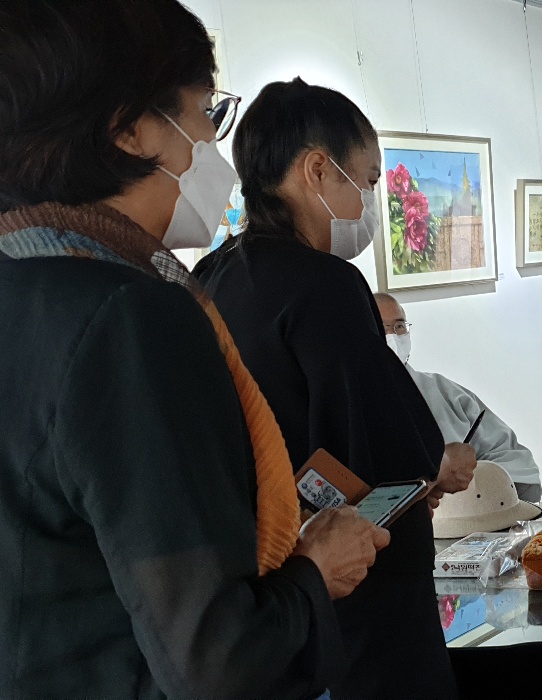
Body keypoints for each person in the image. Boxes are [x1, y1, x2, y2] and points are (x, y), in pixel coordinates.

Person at [0, 1, 387, 698]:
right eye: (205, 112)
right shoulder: (129, 317)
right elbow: (217, 658)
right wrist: (316, 569)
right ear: (129, 129)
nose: (212, 143)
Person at [193, 78, 475, 700]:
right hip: (360, 594)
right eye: (368, 181)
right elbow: (387, 451)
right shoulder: (326, 285)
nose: (370, 202)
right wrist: (435, 467)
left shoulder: (211, 276)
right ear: (318, 170)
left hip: (268, 587)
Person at [376, 292, 542, 502]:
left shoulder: (444, 392)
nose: (392, 336)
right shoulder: (349, 407)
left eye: (399, 326)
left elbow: (513, 458)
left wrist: (469, 485)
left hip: (477, 512)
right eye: (381, 327)